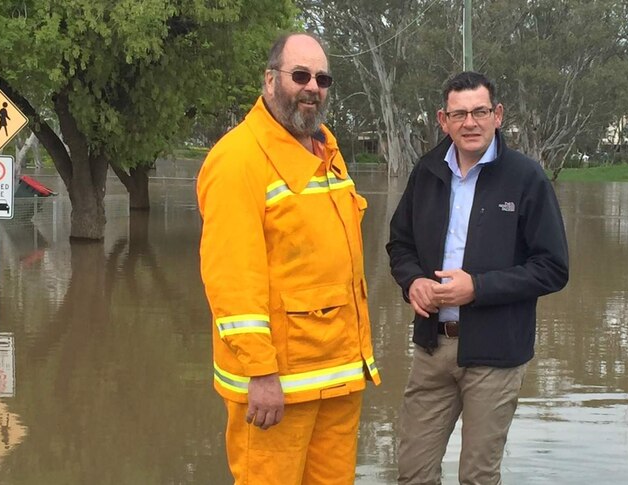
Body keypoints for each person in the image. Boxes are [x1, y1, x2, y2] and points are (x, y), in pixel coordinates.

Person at [197, 32, 380, 485]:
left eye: (322, 78)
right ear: (269, 80)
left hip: (338, 375)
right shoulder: (238, 159)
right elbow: (232, 278)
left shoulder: (325, 149)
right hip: (279, 387)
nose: (312, 86)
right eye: (300, 75)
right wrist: (260, 373)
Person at [386, 71, 569, 484]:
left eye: (480, 111)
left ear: (498, 115)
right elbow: (400, 245)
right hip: (432, 348)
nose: (470, 122)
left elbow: (553, 268)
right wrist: (412, 281)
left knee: (478, 477)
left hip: (496, 353)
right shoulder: (427, 172)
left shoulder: (526, 177)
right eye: (460, 113)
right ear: (443, 119)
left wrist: (478, 288)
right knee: (412, 473)